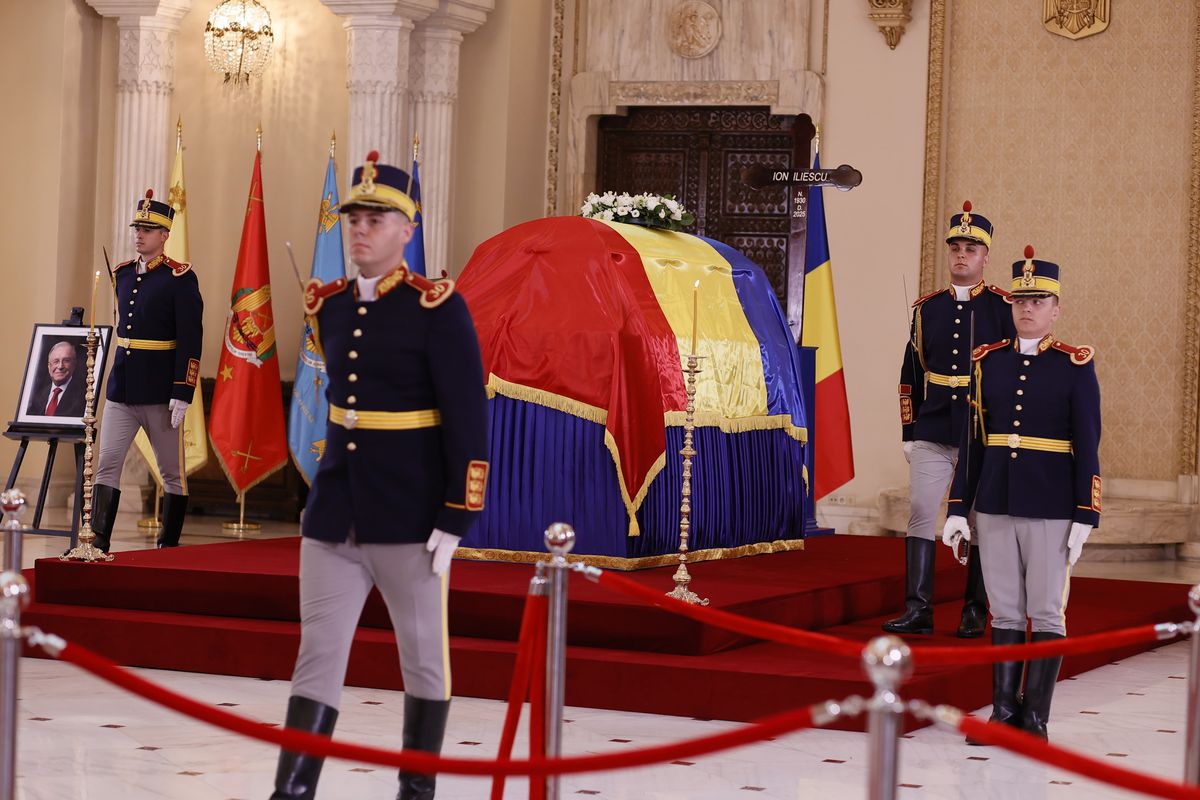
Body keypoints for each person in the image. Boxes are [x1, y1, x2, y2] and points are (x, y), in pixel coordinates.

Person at [270, 150, 489, 800]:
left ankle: (416, 791)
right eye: (354, 219)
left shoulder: (438, 308)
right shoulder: (329, 307)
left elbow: (468, 420)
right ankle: (293, 790)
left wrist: (457, 515)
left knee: (422, 661)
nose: (360, 229)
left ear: (407, 230)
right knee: (317, 656)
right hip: (335, 512)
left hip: (411, 518)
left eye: (377, 218)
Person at [943, 246, 1101, 741]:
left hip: (1052, 504)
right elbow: (974, 441)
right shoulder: (987, 363)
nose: (1027, 307)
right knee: (1005, 608)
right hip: (994, 502)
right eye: (1021, 300)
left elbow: (1088, 442)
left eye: (1039, 300)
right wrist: (957, 507)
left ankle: (1035, 716)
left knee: (1046, 609)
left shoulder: (1074, 365)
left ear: (1055, 309)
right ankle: (1002, 713)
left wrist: (1084, 513)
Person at [885, 202, 1015, 637]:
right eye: (956, 248)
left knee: (978, 519)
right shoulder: (927, 309)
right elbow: (910, 376)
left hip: (982, 432)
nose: (962, 255)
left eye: (971, 249)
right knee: (921, 511)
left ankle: (975, 610)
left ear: (985, 257)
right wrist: (909, 430)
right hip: (934, 427)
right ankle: (918, 609)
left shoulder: (1004, 308)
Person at [91, 189, 203, 552]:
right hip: (122, 389)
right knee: (106, 463)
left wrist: (182, 392)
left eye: (148, 229)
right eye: (137, 227)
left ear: (165, 235)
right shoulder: (122, 274)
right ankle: (98, 543)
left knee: (172, 473)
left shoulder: (180, 279)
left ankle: (167, 547)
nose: (139, 234)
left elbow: (190, 340)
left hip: (160, 392)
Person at [27, 341, 86, 417]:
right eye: (56, 361)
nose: (60, 366)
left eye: (66, 361)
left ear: (74, 365)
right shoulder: (37, 397)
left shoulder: (83, 396)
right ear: (49, 366)